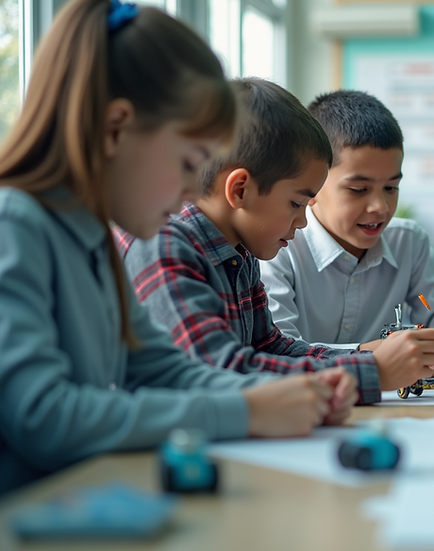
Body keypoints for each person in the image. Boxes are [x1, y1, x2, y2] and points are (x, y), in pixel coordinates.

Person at [0, 0, 355, 495]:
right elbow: (43, 415)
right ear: (116, 129)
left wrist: (290, 393)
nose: (193, 192)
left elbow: (163, 368)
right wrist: (246, 409)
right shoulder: (14, 226)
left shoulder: (93, 238)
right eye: (189, 163)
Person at [116, 78, 434, 400]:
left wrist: (368, 362)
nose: (303, 221)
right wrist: (372, 373)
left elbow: (271, 347)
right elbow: (219, 372)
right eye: (296, 204)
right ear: (240, 190)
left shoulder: (239, 251)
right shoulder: (163, 245)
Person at [260, 90, 434, 373]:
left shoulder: (409, 244)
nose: (380, 207)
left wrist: (421, 360)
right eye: (359, 189)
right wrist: (371, 358)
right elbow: (278, 352)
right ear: (313, 186)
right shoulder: (278, 248)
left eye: (391, 188)